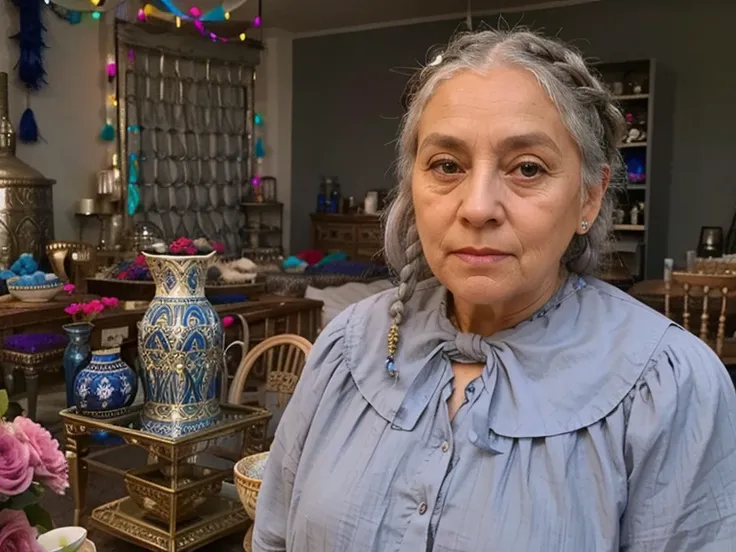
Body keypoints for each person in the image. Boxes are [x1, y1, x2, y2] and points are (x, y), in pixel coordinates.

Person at [253, 28, 736, 551]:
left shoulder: (668, 388)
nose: (478, 206)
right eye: (446, 166)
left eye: (527, 168)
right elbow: (272, 536)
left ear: (589, 197)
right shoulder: (345, 349)